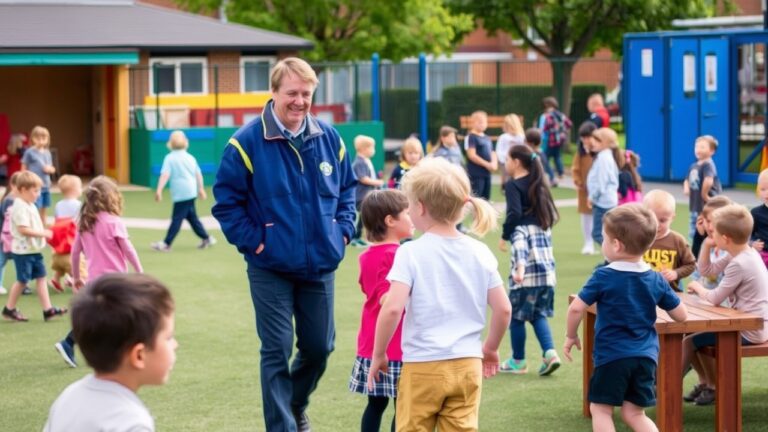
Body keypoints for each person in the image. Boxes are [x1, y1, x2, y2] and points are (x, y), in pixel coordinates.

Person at [212, 57, 357, 432]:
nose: (299, 101)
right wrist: (257, 244)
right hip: (270, 267)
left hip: (320, 264)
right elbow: (226, 204)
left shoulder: (330, 138)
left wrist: (342, 231)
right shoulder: (245, 142)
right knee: (276, 350)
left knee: (319, 348)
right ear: (274, 92)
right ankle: (283, 427)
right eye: (291, 93)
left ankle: (295, 403)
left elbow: (347, 191)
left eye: (306, 93)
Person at [367, 157, 512, 431]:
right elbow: (503, 309)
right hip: (467, 364)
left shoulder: (410, 252)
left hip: (422, 366)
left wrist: (378, 354)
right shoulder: (480, 251)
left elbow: (392, 309)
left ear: (420, 207)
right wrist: (491, 348)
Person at [564, 204, 688, 432]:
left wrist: (570, 336)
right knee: (634, 413)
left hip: (612, 356)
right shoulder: (656, 279)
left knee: (600, 409)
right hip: (646, 358)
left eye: (603, 238)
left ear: (616, 245)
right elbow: (681, 316)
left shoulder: (603, 276)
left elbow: (575, 309)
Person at [44, 273, 177, 432]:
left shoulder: (68, 397)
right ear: (139, 356)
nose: (175, 345)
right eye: (168, 338)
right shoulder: (130, 423)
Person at [55, 175, 143, 368]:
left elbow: (75, 252)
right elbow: (128, 249)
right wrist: (139, 271)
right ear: (111, 197)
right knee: (125, 313)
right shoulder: (114, 222)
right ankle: (122, 351)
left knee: (100, 317)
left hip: (94, 280)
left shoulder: (85, 223)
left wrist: (77, 277)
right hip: (115, 281)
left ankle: (70, 343)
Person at [683, 204, 768, 406]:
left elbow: (713, 297)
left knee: (689, 341)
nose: (713, 234)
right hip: (749, 324)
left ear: (726, 238)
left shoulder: (739, 263)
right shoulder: (741, 252)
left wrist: (696, 287)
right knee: (689, 335)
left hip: (751, 330)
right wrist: (706, 245)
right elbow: (707, 270)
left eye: (716, 233)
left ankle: (663, 386)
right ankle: (703, 383)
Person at [349, 189, 412, 432]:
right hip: (394, 345)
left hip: (371, 341)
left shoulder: (366, 256)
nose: (412, 218)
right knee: (403, 406)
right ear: (390, 220)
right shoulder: (398, 255)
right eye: (407, 213)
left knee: (375, 405)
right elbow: (388, 298)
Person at [497, 145, 561, 375]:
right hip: (547, 277)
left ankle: (518, 361)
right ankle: (550, 353)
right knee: (537, 314)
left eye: (507, 159)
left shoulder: (514, 189)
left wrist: (519, 268)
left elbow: (514, 218)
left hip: (527, 277)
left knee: (516, 317)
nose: (505, 163)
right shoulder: (543, 223)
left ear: (516, 161)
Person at [1, 171, 64, 322]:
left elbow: (33, 223)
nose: (38, 194)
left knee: (41, 277)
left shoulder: (29, 204)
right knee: (23, 281)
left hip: (33, 250)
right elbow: (23, 229)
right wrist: (43, 233)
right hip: (23, 252)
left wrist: (45, 229)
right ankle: (9, 309)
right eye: (35, 191)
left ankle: (48, 309)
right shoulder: (20, 206)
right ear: (23, 190)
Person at [151, 130, 215, 252]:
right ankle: (207, 238)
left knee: (177, 219)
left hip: (181, 194)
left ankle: (166, 243)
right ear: (186, 143)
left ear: (170, 144)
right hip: (191, 192)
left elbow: (165, 175)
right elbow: (198, 174)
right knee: (192, 217)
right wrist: (200, 188)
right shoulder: (190, 157)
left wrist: (159, 190)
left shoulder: (169, 158)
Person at [642, 189, 696, 291]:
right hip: (643, 291)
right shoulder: (638, 238)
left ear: (672, 218)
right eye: (652, 219)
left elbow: (691, 265)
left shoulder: (677, 241)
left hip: (671, 292)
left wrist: (676, 273)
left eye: (662, 220)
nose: (657, 224)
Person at [47, 174, 83, 293]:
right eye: (80, 187)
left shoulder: (59, 205)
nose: (81, 189)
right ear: (74, 190)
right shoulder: (78, 205)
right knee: (76, 260)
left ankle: (56, 278)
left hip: (60, 237)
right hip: (72, 236)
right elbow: (80, 221)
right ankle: (75, 278)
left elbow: (57, 220)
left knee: (62, 258)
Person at [586, 127, 620, 247]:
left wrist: (592, 197)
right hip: (606, 200)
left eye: (597, 140)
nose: (593, 142)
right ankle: (610, 258)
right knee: (607, 233)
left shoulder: (603, 159)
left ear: (605, 143)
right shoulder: (605, 156)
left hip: (603, 202)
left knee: (598, 234)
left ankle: (614, 256)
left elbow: (601, 183)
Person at [683, 135, 722, 240]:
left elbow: (708, 180)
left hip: (706, 204)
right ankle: (695, 243)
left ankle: (706, 244)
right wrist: (686, 187)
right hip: (695, 203)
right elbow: (687, 178)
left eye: (702, 147)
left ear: (712, 151)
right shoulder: (694, 165)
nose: (698, 149)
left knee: (706, 226)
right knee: (694, 225)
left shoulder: (708, 165)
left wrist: (704, 194)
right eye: (697, 147)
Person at [350, 135, 384, 248]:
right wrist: (377, 182)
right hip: (361, 197)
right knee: (365, 217)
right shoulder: (359, 162)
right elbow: (363, 178)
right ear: (364, 149)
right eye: (372, 147)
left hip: (366, 196)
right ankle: (356, 237)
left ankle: (358, 237)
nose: (373, 150)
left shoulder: (365, 161)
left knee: (364, 218)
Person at [22, 125, 56, 222]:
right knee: (35, 207)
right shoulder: (29, 152)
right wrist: (24, 181)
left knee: (44, 208)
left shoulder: (47, 153)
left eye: (43, 138)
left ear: (47, 139)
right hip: (34, 186)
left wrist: (50, 169)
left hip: (46, 185)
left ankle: (43, 226)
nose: (41, 140)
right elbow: (23, 168)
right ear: (33, 138)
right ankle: (34, 226)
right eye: (38, 138)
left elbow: (52, 168)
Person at [573, 122, 597, 255]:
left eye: (588, 137)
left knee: (600, 218)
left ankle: (599, 242)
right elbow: (575, 169)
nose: (585, 140)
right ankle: (588, 242)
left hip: (599, 191)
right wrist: (578, 181)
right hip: (584, 190)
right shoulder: (581, 153)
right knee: (586, 217)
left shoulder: (601, 152)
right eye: (583, 138)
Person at [538, 97, 572, 186]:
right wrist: (563, 131)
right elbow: (569, 124)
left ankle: (552, 177)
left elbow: (545, 127)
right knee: (557, 156)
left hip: (551, 140)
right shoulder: (561, 115)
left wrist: (546, 131)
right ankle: (561, 173)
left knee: (544, 158)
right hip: (560, 140)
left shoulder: (549, 116)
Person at [465, 110, 498, 200]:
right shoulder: (471, 137)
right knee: (478, 198)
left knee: (486, 198)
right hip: (476, 173)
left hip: (487, 173)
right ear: (473, 123)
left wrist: (494, 164)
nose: (483, 124)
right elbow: (471, 155)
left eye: (485, 122)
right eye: (480, 122)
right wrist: (487, 164)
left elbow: (493, 152)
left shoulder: (487, 138)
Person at [0, 172, 21, 295]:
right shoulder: (10, 200)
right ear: (13, 186)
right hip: (6, 236)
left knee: (21, 261)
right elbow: (7, 220)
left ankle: (23, 284)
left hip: (13, 236)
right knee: (2, 260)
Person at [495, 114, 525, 189]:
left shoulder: (521, 137)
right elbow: (499, 151)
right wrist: (505, 159)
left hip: (518, 162)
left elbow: (524, 149)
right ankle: (504, 186)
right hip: (505, 162)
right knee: (507, 178)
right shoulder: (503, 137)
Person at [750, 168, 768, 267]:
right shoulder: (755, 213)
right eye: (763, 189)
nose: (766, 193)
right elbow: (748, 235)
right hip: (763, 256)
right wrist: (752, 243)